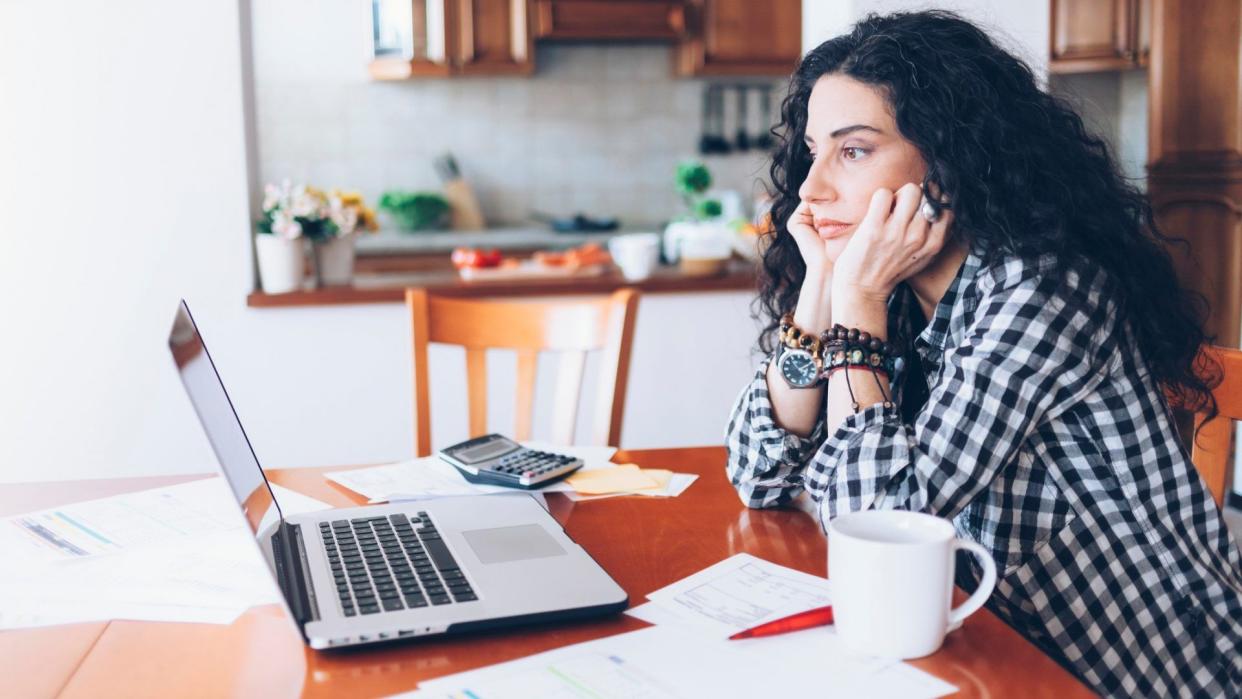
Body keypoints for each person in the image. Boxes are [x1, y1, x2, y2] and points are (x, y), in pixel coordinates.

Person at [725, 10, 1242, 697]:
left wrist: (855, 309)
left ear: (948, 164)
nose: (811, 188)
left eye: (852, 151)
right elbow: (756, 471)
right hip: (997, 655)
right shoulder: (894, 294)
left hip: (1148, 676)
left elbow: (876, 525)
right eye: (812, 150)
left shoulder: (1045, 289)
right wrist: (822, 287)